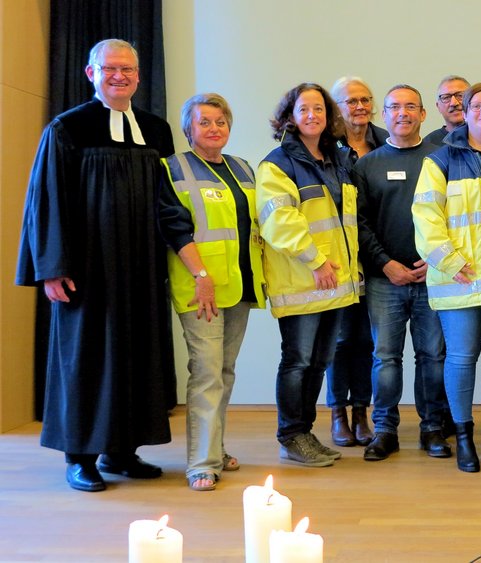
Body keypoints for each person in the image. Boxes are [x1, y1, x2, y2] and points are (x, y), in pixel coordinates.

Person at [15, 38, 175, 492]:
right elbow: (45, 202)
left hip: (141, 267)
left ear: (139, 77)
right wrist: (51, 266)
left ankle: (123, 450)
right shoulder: (68, 128)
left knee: (134, 354)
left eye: (127, 70)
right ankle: (80, 457)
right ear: (91, 74)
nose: (119, 76)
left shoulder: (156, 130)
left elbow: (168, 202)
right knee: (85, 356)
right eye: (110, 69)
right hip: (87, 267)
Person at [159, 93, 266, 490]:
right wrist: (201, 275)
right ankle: (201, 462)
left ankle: (216, 448)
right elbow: (174, 227)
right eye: (204, 122)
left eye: (220, 121)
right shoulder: (173, 168)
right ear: (189, 129)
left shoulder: (242, 168)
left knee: (224, 370)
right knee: (205, 373)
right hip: (200, 287)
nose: (214, 129)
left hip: (238, 285)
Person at [413, 83, 481, 473]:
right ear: (465, 111)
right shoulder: (440, 159)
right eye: (476, 105)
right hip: (459, 278)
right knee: (460, 359)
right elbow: (425, 218)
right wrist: (451, 262)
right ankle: (464, 439)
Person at [257, 83, 362, 467]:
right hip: (304, 279)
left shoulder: (337, 159)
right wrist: (316, 261)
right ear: (290, 117)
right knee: (298, 360)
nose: (313, 115)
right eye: (304, 109)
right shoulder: (278, 164)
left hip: (335, 282)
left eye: (319, 109)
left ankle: (305, 432)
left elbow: (345, 222)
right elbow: (279, 222)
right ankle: (290, 435)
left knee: (319, 362)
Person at [355, 84, 451, 462]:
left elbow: (453, 218)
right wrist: (385, 263)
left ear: (424, 115)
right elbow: (359, 223)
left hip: (433, 278)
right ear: (385, 115)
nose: (403, 113)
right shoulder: (367, 165)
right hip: (385, 280)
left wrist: (438, 260)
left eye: (411, 107)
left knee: (432, 356)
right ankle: (385, 430)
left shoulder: (441, 159)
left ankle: (432, 429)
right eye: (395, 107)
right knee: (385, 357)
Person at [324, 76, 386, 448]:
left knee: (366, 340)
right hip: (338, 259)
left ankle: (362, 411)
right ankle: (336, 413)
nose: (359, 106)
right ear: (337, 108)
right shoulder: (325, 147)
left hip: (376, 258)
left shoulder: (384, 140)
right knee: (341, 338)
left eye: (365, 99)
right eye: (351, 101)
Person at [424, 75, 471, 146]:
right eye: (446, 97)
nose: (453, 103)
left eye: (460, 95)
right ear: (438, 106)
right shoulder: (429, 144)